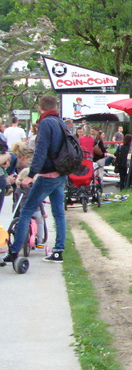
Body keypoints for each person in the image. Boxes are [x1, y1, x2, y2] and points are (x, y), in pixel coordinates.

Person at [4, 95, 69, 265]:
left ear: (40, 108)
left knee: (26, 211)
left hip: (47, 175)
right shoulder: (60, 122)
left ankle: (14, 251)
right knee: (58, 213)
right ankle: (58, 251)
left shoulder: (46, 123)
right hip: (60, 173)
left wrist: (31, 175)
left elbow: (41, 152)